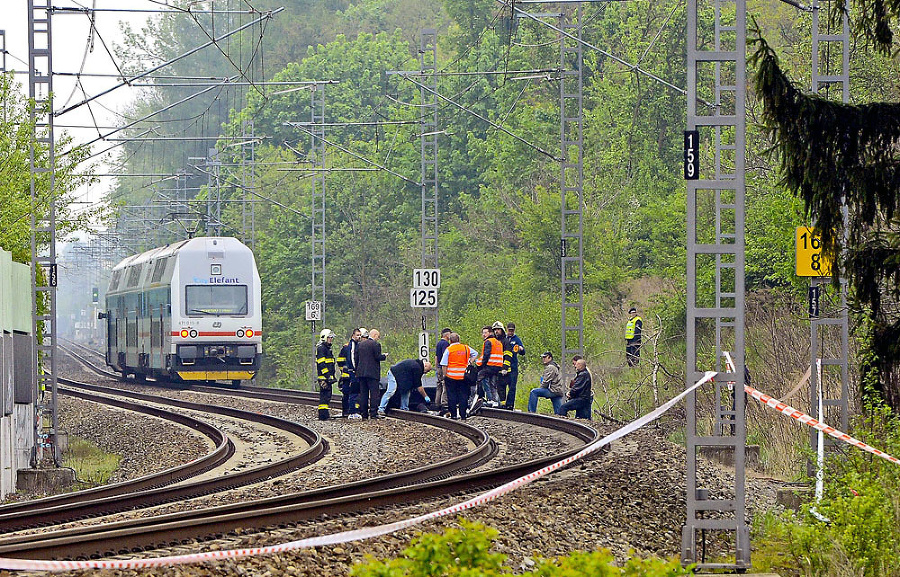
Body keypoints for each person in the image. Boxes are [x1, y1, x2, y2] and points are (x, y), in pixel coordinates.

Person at [441, 332, 477, 419]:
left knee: (451, 396)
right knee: (463, 395)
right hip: (463, 377)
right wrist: (470, 361)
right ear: (459, 340)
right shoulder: (465, 347)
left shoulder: (449, 349)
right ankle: (463, 414)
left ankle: (453, 415)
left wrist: (444, 376)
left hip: (451, 377)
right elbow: (475, 353)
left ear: (450, 341)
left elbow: (444, 364)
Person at [355, 328, 387, 419]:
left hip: (361, 373)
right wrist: (384, 356)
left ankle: (364, 414)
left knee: (363, 394)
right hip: (372, 374)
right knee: (374, 394)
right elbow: (377, 357)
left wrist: (357, 370)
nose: (378, 338)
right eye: (378, 336)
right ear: (375, 335)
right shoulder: (376, 345)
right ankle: (373, 413)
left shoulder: (360, 345)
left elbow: (356, 358)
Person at [472, 325, 504, 411]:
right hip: (498, 366)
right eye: (483, 333)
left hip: (490, 365)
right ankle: (496, 401)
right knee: (493, 383)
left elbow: (486, 355)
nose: (483, 335)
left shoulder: (488, 342)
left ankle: (489, 399)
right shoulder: (498, 342)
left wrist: (480, 365)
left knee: (481, 379)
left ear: (490, 333)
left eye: (485, 332)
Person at [337, 328, 362, 419]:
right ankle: (351, 411)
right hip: (350, 374)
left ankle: (347, 411)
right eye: (357, 335)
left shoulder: (352, 345)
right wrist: (352, 370)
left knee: (348, 393)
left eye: (360, 335)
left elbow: (340, 361)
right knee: (352, 392)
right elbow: (350, 359)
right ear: (353, 336)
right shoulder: (351, 346)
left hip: (347, 374)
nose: (359, 337)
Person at [503, 322, 526, 410]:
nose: (511, 332)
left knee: (512, 387)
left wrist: (520, 349)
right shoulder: (503, 338)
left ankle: (510, 405)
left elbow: (523, 352)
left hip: (513, 366)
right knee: (502, 386)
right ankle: (502, 403)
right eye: (509, 330)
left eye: (512, 330)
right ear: (506, 329)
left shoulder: (516, 339)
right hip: (504, 366)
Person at [315, 329, 337, 420]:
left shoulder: (327, 348)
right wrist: (327, 376)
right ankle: (323, 415)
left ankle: (324, 414)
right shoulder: (321, 348)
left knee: (327, 396)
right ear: (324, 337)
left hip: (327, 377)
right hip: (324, 378)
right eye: (329, 337)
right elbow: (321, 364)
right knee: (324, 396)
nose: (331, 339)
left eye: (331, 337)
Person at [434, 328, 452, 415]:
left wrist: (436, 367)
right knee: (445, 385)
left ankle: (437, 403)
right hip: (443, 367)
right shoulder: (445, 344)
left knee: (439, 386)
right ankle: (444, 403)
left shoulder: (438, 343)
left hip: (439, 367)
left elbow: (436, 356)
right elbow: (446, 357)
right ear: (446, 335)